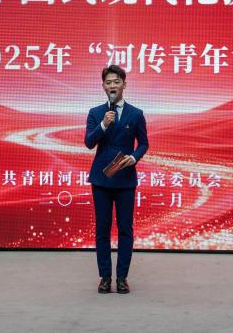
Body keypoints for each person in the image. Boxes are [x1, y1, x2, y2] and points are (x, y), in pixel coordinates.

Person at [84, 64, 149, 294]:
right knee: (102, 230)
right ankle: (105, 277)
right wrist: (104, 124)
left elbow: (143, 143)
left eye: (116, 82)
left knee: (125, 230)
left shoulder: (136, 114)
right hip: (101, 180)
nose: (112, 86)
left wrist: (134, 157)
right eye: (108, 82)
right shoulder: (96, 113)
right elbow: (89, 142)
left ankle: (122, 278)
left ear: (124, 84)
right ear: (103, 87)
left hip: (125, 180)